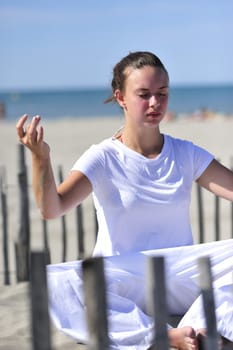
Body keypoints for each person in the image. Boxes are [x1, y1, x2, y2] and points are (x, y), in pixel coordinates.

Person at [16, 51, 233, 349]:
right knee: (57, 281)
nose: (155, 103)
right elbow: (52, 208)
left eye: (162, 93)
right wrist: (41, 158)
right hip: (123, 280)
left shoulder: (186, 153)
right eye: (144, 94)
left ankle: (199, 327)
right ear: (120, 97)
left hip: (179, 274)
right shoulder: (103, 157)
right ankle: (168, 337)